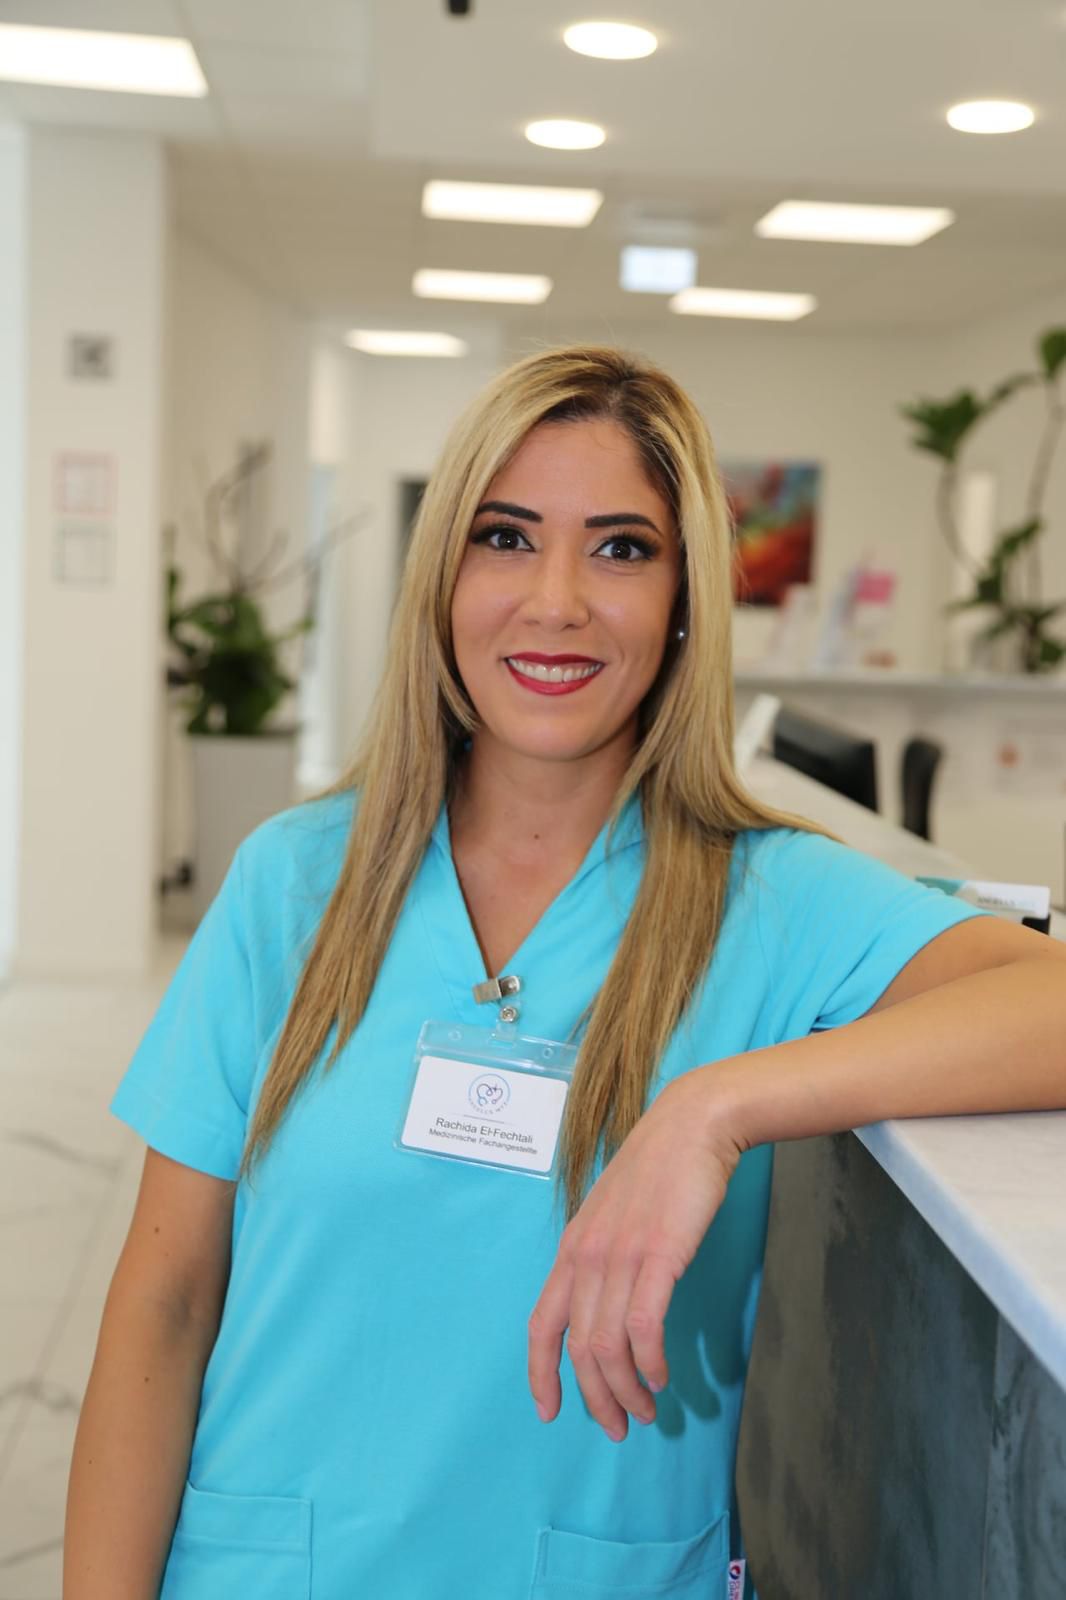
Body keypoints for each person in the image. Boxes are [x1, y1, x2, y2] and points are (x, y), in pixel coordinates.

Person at [64, 346, 1066, 1600]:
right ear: (442, 578)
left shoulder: (767, 900)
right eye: (505, 537)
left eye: (620, 549)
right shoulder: (296, 881)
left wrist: (712, 1107)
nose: (556, 602)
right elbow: (163, 1301)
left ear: (685, 597)